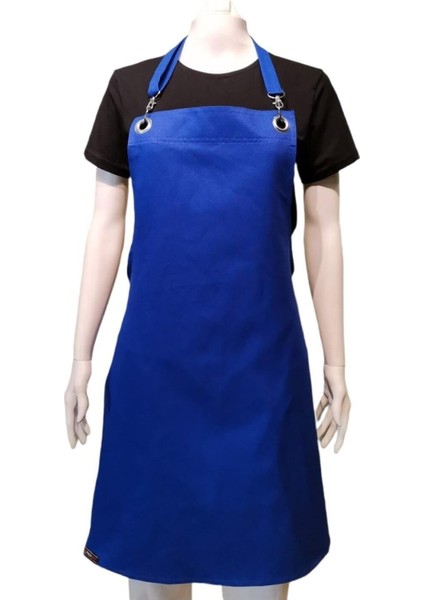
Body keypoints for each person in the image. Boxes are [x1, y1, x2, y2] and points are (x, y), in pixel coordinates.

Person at [64, 2, 358, 599]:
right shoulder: (129, 90)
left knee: (261, 562)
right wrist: (80, 359)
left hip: (262, 375)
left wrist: (337, 361)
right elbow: (104, 229)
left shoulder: (306, 89)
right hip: (156, 376)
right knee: (154, 562)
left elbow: (324, 230)